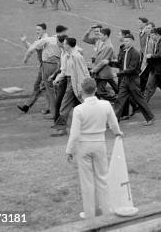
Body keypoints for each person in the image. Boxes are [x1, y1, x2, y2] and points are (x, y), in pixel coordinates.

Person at [65, 78, 123, 219]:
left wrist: (69, 150)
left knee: (87, 181)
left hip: (84, 146)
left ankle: (90, 213)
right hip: (99, 144)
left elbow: (74, 134)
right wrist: (118, 133)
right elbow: (113, 123)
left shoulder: (79, 110)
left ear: (82, 91)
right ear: (95, 89)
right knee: (102, 178)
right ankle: (106, 211)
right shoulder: (105, 105)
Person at [108, 34, 155, 125]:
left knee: (139, 100)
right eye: (124, 41)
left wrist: (117, 74)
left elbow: (132, 68)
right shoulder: (124, 52)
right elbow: (120, 64)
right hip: (125, 80)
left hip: (133, 80)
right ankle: (114, 120)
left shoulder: (135, 53)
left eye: (127, 41)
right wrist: (109, 62)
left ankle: (150, 118)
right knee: (119, 100)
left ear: (132, 41)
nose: (125, 43)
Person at [51, 37, 88, 137]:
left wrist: (83, 85)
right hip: (70, 81)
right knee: (81, 105)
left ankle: (61, 129)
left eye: (65, 43)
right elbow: (64, 71)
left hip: (75, 83)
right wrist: (57, 79)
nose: (63, 44)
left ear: (68, 45)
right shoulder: (68, 55)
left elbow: (83, 71)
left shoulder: (76, 56)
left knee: (64, 105)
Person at [18, 23, 50, 114]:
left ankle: (49, 107)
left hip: (47, 66)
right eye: (36, 30)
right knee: (39, 86)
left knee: (45, 87)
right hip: (43, 66)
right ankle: (27, 106)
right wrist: (24, 41)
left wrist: (26, 58)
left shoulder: (44, 39)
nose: (37, 31)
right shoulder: (40, 39)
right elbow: (33, 47)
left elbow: (32, 48)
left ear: (44, 30)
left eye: (39, 30)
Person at [144, 27, 161, 102]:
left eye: (152, 35)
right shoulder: (157, 42)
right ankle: (143, 104)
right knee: (149, 86)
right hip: (155, 69)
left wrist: (151, 55)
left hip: (160, 69)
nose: (151, 37)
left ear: (157, 35)